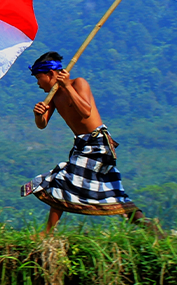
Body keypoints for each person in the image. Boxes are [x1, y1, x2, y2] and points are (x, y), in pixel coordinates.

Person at [20, 52, 159, 237]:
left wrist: (67, 86)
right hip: (82, 145)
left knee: (62, 179)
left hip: (97, 143)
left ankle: (47, 234)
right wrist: (38, 114)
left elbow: (85, 111)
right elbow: (42, 125)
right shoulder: (53, 97)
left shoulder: (79, 84)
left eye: (39, 78)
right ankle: (145, 224)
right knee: (113, 191)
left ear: (52, 74)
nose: (38, 83)